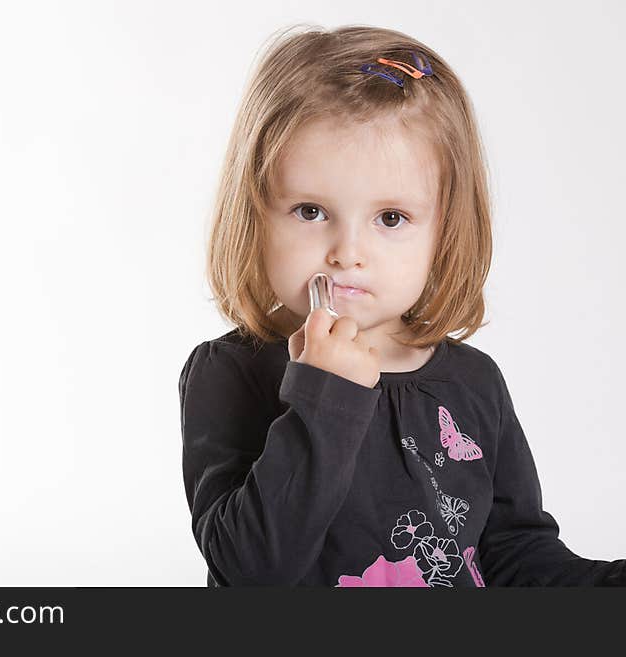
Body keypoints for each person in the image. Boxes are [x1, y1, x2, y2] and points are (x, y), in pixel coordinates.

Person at [178, 24, 626, 587]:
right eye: (311, 211)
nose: (347, 254)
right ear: (256, 215)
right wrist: (324, 397)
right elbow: (250, 570)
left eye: (390, 219)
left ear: (445, 232)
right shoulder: (230, 374)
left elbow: (514, 555)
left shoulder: (474, 384)